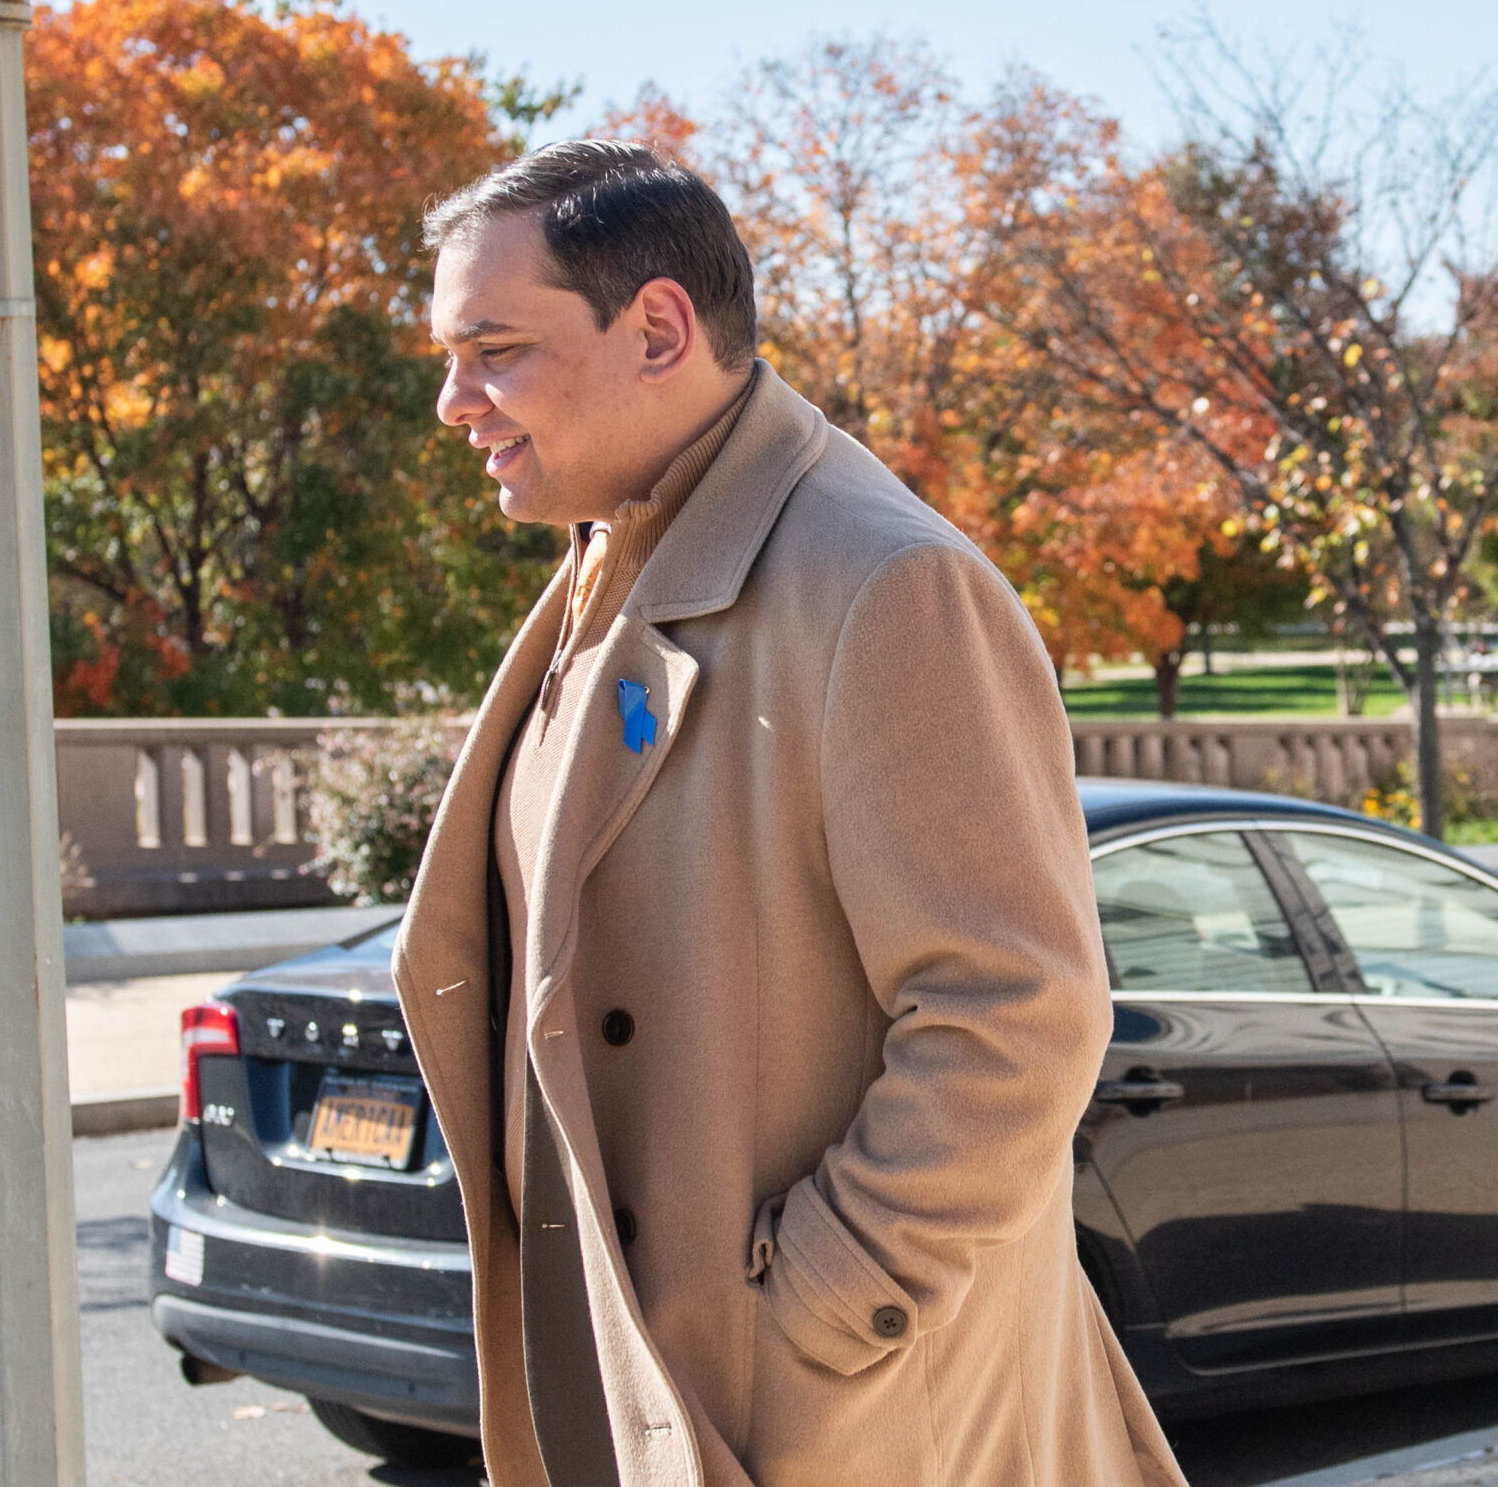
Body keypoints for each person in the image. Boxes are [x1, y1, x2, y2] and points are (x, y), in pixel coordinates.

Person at [389, 142, 1183, 1487]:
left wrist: (819, 1306)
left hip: (830, 1413)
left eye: (496, 350)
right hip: (648, 1373)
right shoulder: (611, 560)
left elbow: (1019, 1016)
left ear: (657, 328)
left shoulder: (885, 585)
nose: (459, 402)